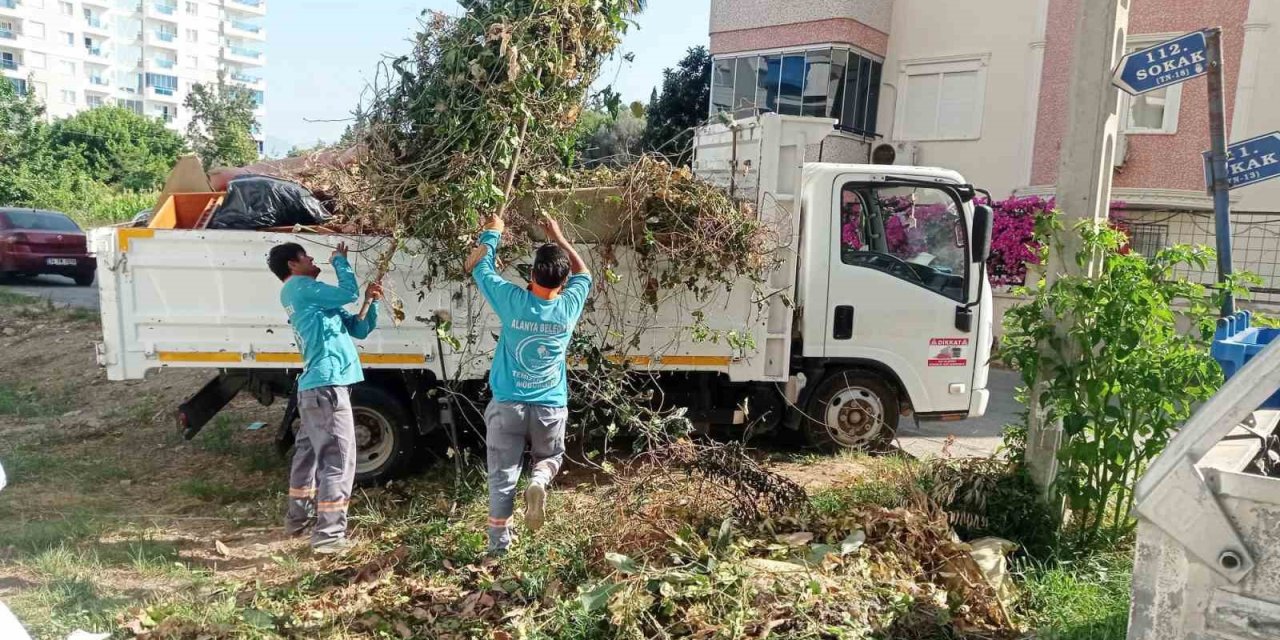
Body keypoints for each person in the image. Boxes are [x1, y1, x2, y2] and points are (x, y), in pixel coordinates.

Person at [466, 213, 592, 555]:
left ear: (531, 274)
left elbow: (482, 270)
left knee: (502, 474)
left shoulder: (513, 301)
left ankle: (499, 545)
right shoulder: (568, 306)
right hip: (550, 404)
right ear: (563, 283)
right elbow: (585, 273)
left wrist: (493, 233)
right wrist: (559, 236)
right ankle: (538, 482)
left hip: (508, 404)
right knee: (549, 457)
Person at [267, 241, 382, 555]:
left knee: (308, 456)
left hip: (315, 389)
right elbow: (348, 293)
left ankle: (298, 521)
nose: (312, 258)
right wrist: (341, 262)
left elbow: (357, 329)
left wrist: (373, 303)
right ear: (293, 265)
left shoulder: (312, 300)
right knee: (338, 461)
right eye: (306, 256)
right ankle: (329, 536)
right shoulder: (301, 288)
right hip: (327, 388)